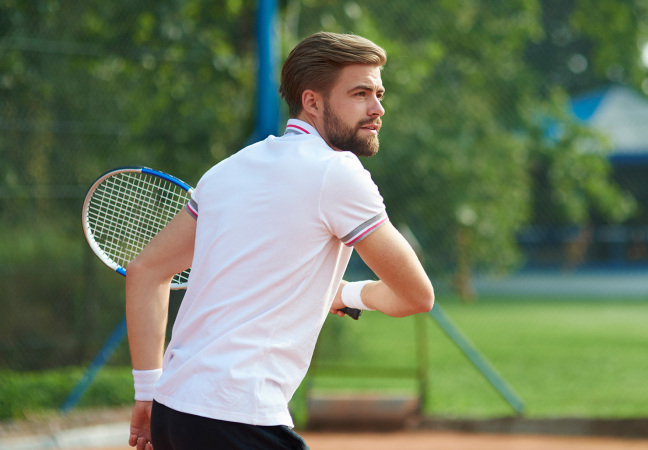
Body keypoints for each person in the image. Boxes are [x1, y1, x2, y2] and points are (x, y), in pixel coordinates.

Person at [124, 32, 434, 450]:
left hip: (174, 409)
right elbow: (417, 295)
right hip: (234, 416)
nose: (378, 108)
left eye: (378, 93)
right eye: (360, 93)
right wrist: (354, 294)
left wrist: (146, 392)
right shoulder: (337, 173)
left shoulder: (226, 171)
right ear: (312, 101)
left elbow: (146, 270)